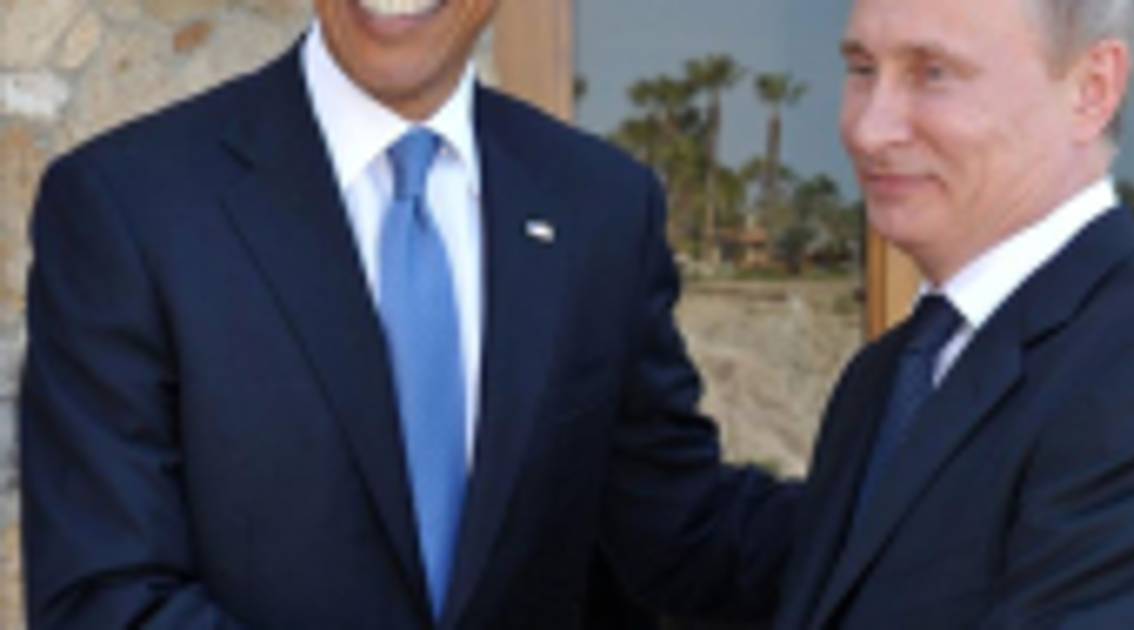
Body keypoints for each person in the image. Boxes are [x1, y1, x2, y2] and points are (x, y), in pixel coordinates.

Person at [19, 1, 802, 628]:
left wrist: (877, 506)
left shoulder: (600, 206)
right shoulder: (131, 207)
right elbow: (105, 596)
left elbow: (677, 531)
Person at [772, 0, 1134, 627]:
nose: (869, 129)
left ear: (1092, 90)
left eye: (932, 73)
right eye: (862, 69)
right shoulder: (886, 374)